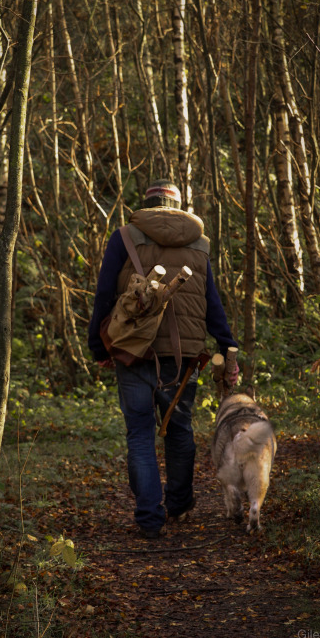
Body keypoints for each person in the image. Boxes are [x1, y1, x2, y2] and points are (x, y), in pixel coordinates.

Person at [88, 180, 239, 539]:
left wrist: (99, 346)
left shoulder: (124, 237)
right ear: (178, 206)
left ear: (148, 204)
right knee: (180, 429)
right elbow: (211, 302)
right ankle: (180, 505)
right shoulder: (199, 245)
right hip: (184, 357)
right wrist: (226, 342)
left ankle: (149, 519)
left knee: (140, 434)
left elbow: (104, 295)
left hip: (132, 351)